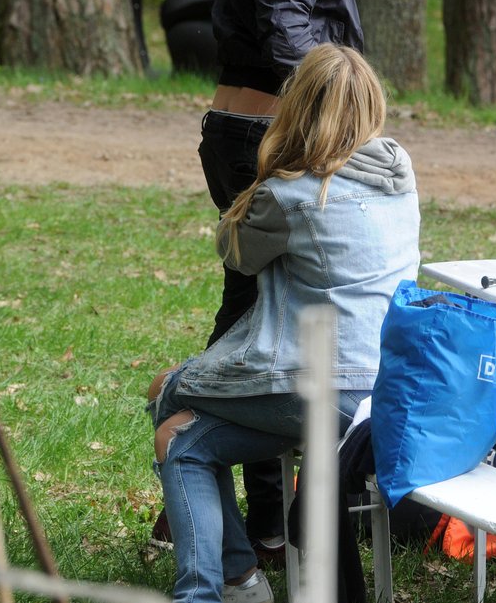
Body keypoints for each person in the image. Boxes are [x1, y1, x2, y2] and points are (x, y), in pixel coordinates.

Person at [150, 0, 390, 557]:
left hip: (256, 129)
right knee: (255, 318)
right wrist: (335, 121)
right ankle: (204, 464)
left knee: (260, 310)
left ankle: (245, 511)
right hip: (264, 134)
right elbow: (291, 35)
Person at [147, 45, 420, 603]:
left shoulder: (289, 194)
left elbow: (235, 251)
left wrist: (266, 170)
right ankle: (235, 580)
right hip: (387, 390)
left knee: (164, 395)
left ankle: (224, 584)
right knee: (179, 437)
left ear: (295, 107)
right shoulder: (399, 173)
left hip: (320, 385)